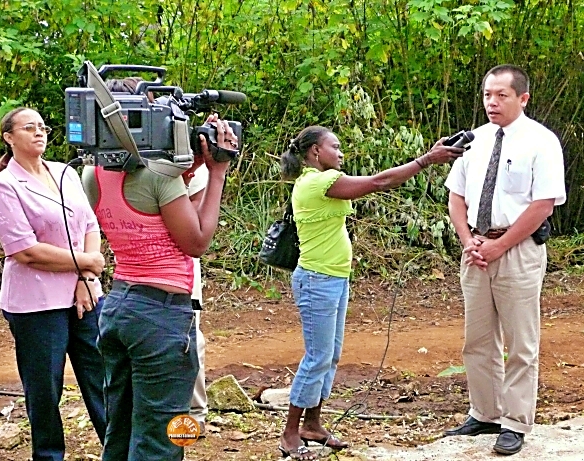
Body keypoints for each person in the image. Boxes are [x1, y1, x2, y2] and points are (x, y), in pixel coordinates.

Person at [278, 126, 464, 460]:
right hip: (316, 281)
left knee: (330, 355)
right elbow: (379, 182)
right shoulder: (316, 182)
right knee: (317, 356)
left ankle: (312, 424)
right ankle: (290, 433)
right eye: (335, 147)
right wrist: (425, 160)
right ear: (316, 152)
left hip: (333, 278)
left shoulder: (323, 180)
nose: (341, 153)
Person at [81, 77, 236, 461]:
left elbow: (146, 199)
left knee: (122, 427)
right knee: (161, 439)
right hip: (161, 314)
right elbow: (196, 242)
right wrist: (217, 173)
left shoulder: (94, 173)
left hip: (119, 307)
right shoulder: (159, 176)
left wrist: (192, 164)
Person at [443, 64, 566, 455]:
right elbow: (456, 196)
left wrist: (500, 245)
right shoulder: (473, 140)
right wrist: (468, 241)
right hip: (475, 250)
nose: (492, 103)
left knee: (520, 340)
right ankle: (485, 412)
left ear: (523, 98)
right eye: (487, 95)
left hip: (518, 250)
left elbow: (542, 204)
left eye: (502, 95)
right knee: (477, 339)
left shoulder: (541, 141)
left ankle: (514, 422)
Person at [0, 107, 107, 461]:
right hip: (36, 303)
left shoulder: (65, 172)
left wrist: (86, 278)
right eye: (29, 128)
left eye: (43, 127)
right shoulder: (4, 185)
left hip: (83, 295)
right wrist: (87, 262)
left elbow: (89, 225)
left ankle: (116, 450)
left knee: (101, 378)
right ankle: (49, 455)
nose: (39, 133)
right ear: (9, 137)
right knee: (44, 389)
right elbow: (25, 251)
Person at [187, 165, 210, 436]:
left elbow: (196, 216)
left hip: (182, 272)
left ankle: (195, 414)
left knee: (189, 341)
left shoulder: (193, 164)